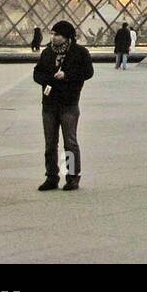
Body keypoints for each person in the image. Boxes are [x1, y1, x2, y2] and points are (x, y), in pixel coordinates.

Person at [32, 20, 94, 191]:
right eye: (52, 34)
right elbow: (37, 73)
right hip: (49, 103)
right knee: (50, 143)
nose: (53, 37)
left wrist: (67, 75)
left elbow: (88, 72)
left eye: (57, 34)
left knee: (70, 143)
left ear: (66, 36)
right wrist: (50, 79)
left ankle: (72, 177)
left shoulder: (80, 52)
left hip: (69, 102)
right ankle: (51, 177)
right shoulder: (47, 53)